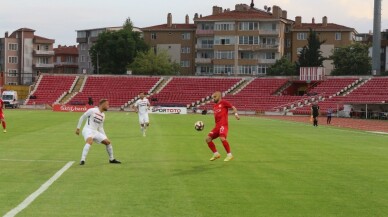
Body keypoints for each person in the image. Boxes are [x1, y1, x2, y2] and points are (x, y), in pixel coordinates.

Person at [75, 99, 121, 165]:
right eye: (107, 104)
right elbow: (83, 117)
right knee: (90, 141)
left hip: (95, 131)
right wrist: (78, 128)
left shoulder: (103, 115)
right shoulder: (92, 110)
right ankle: (82, 160)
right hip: (87, 130)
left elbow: (100, 127)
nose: (108, 106)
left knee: (108, 142)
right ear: (102, 104)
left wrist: (105, 136)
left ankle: (111, 159)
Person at [206, 91, 240, 162]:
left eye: (215, 97)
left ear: (219, 96)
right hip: (217, 126)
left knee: (222, 137)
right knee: (208, 139)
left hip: (223, 125)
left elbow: (233, 108)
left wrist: (236, 114)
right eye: (213, 97)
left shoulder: (224, 103)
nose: (213, 99)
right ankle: (216, 154)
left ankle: (229, 155)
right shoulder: (214, 106)